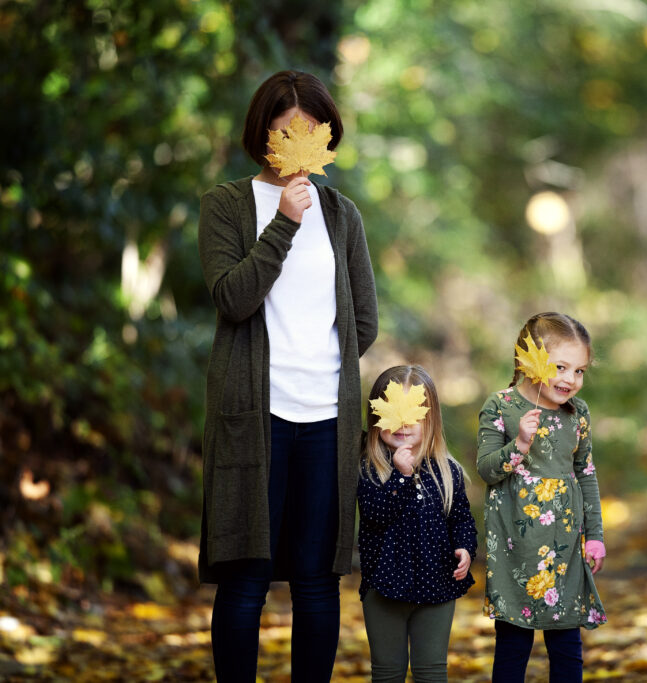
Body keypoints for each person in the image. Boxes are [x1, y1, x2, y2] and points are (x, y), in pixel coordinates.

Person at [196, 69, 378, 682]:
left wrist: (321, 371)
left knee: (316, 578)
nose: (294, 146)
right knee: (246, 577)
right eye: (282, 133)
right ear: (261, 133)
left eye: (309, 133)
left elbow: (364, 319)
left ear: (327, 138)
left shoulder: (342, 213)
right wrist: (283, 224)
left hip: (327, 417)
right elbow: (232, 299)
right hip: (255, 415)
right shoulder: (226, 205)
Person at [477, 312, 608, 683]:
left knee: (567, 645)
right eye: (561, 367)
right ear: (526, 360)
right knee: (513, 647)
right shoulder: (501, 406)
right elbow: (487, 469)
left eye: (579, 371)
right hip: (515, 547)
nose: (570, 379)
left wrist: (595, 535)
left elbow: (586, 474)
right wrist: (518, 444)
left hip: (564, 548)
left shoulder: (577, 413)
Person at [357, 365, 477, 682]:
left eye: (414, 414)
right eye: (394, 414)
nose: (404, 424)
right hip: (384, 586)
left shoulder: (447, 470)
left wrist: (465, 548)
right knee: (387, 671)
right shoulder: (371, 468)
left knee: (431, 670)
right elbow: (375, 514)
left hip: (436, 584)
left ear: (431, 417)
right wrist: (401, 475)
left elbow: (461, 518)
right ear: (376, 417)